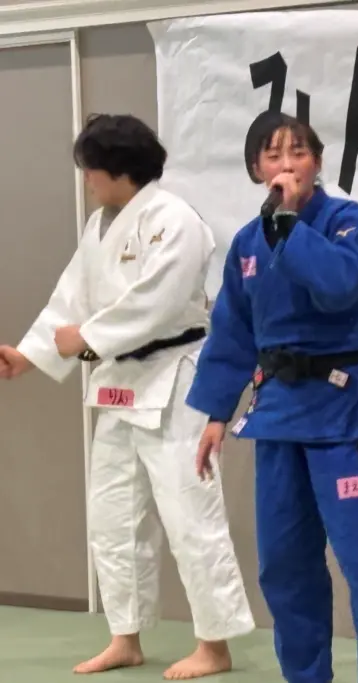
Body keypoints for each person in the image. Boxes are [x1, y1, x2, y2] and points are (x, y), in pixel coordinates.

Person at [0, 113, 254, 679]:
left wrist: (85, 339)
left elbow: (155, 304)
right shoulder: (101, 224)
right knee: (113, 517)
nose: (86, 178)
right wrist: (30, 353)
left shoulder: (175, 221)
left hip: (175, 376)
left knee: (190, 513)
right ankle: (126, 637)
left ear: (118, 169)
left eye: (91, 168)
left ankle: (214, 644)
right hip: (116, 384)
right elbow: (71, 298)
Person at [186, 110, 358, 683]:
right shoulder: (245, 242)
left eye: (299, 153)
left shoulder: (348, 222)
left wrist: (289, 227)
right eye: (274, 154)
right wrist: (216, 412)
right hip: (279, 414)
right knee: (285, 567)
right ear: (257, 167)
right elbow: (234, 331)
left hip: (343, 411)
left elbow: (339, 286)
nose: (288, 164)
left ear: (317, 162)